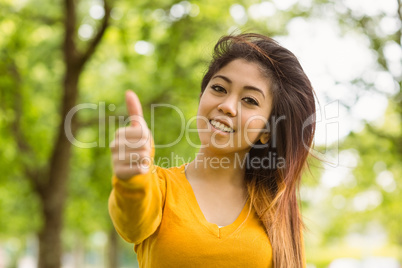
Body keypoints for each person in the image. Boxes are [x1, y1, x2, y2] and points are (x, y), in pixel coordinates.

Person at [108, 33, 316, 268]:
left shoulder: (277, 209)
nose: (226, 106)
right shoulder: (158, 187)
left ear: (266, 130)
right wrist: (132, 178)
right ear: (201, 98)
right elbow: (132, 223)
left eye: (249, 100)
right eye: (219, 88)